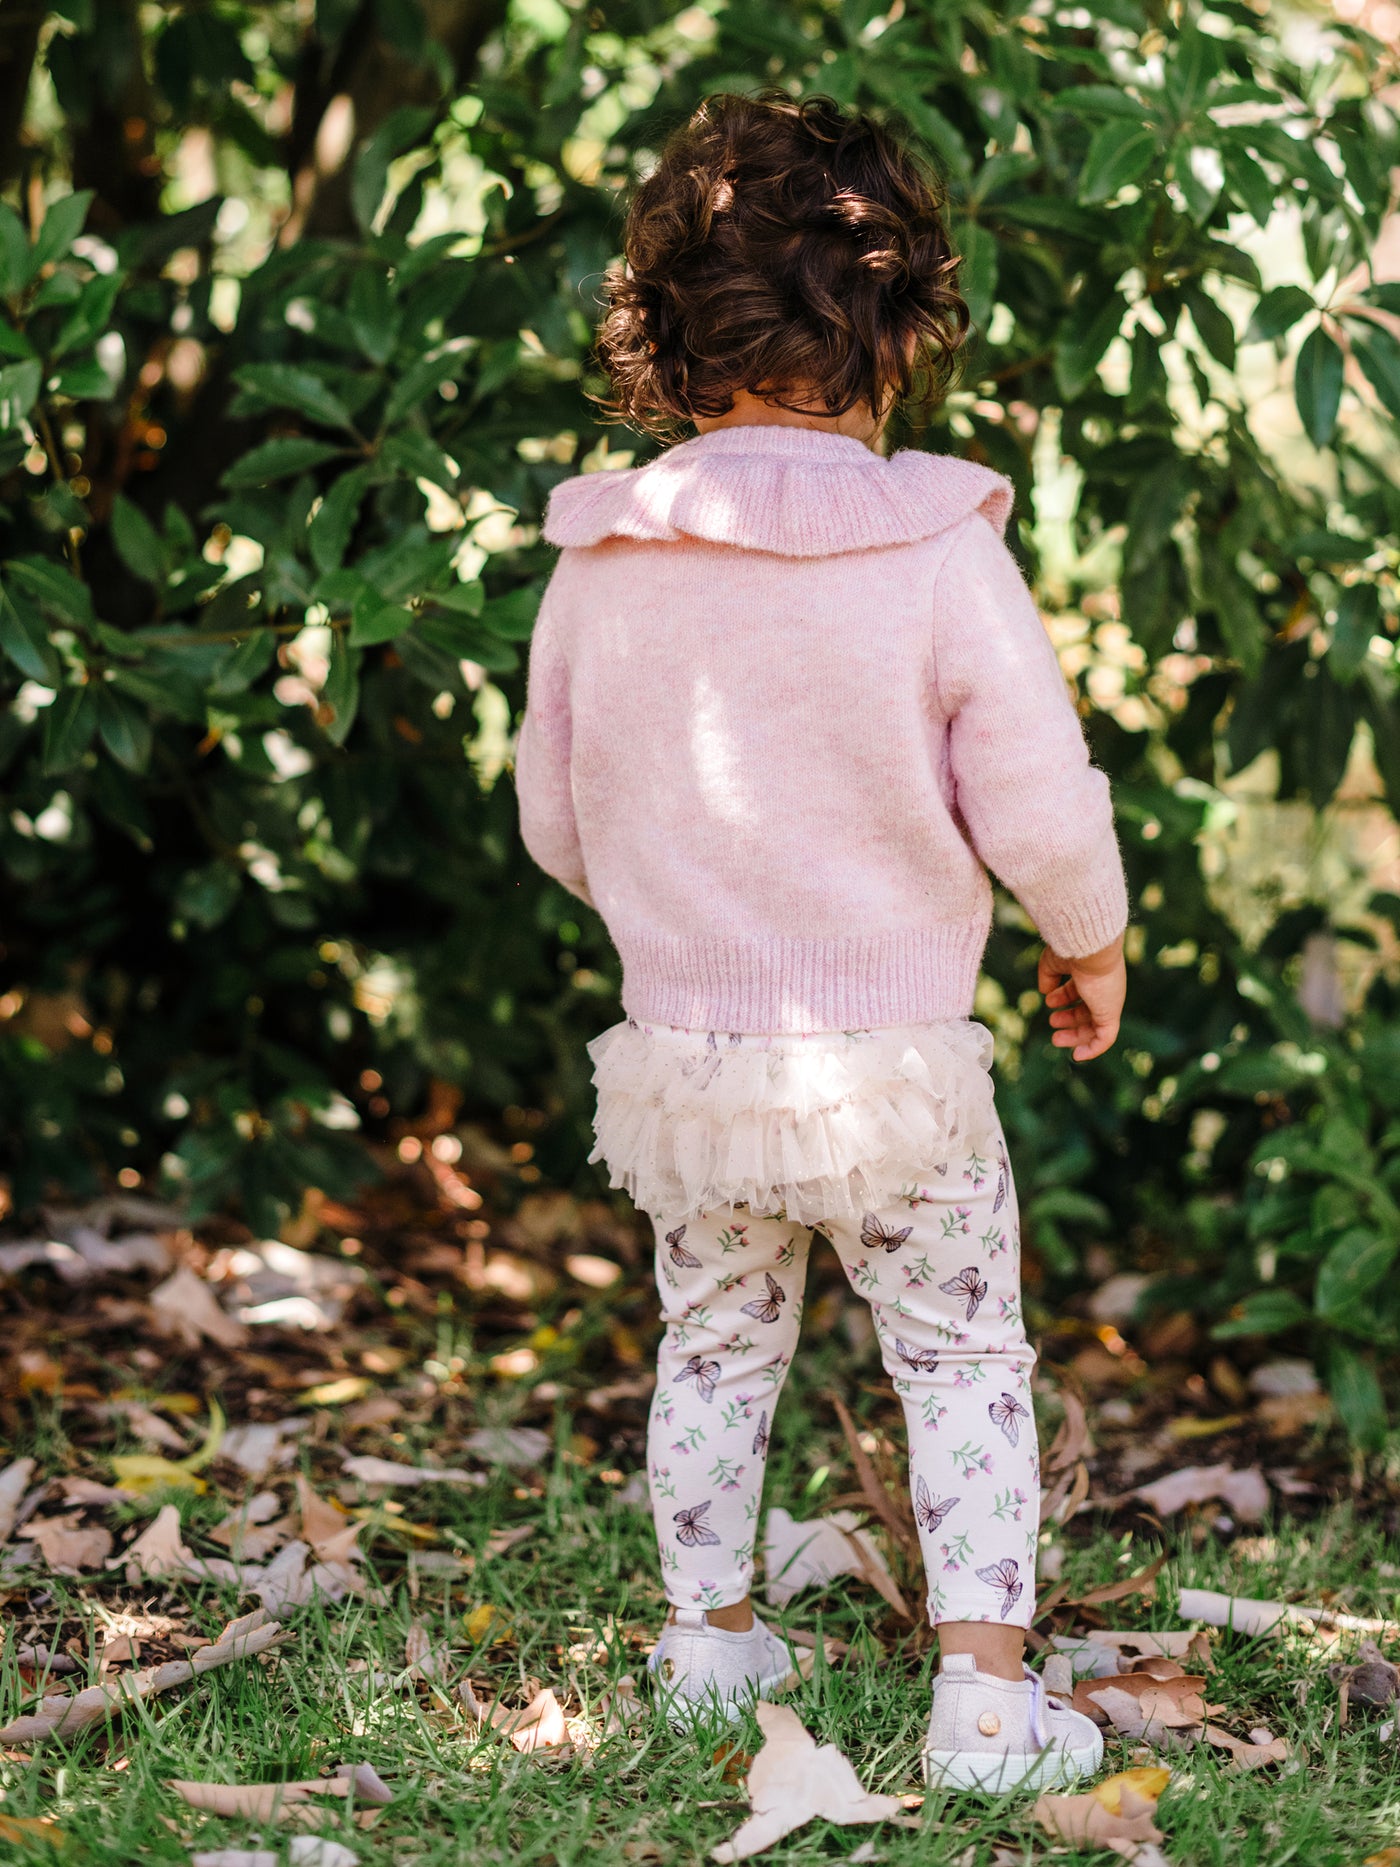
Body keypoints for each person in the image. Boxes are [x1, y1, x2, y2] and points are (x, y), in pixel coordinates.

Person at [514, 89, 1127, 1792]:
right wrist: (1092, 941)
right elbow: (1043, 803)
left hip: (689, 1070)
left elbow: (555, 818)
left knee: (712, 1342)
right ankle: (988, 1703)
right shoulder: (935, 543)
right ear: (899, 323)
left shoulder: (612, 549)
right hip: (900, 1075)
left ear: (667, 329)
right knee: (958, 1357)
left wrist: (689, 920)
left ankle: (706, 1648)